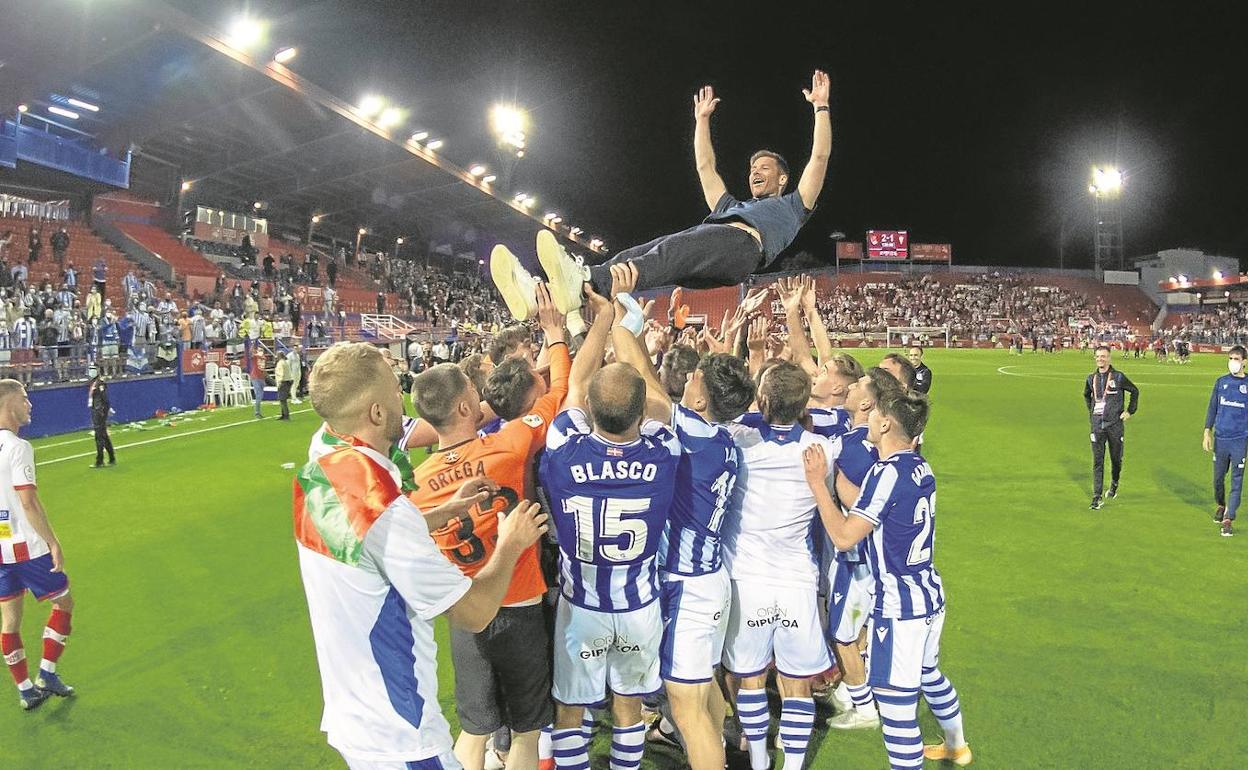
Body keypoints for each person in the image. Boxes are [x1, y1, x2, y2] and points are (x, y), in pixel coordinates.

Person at [294, 342, 549, 770]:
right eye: (396, 391)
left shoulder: (322, 459)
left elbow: (368, 535)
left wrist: (443, 512)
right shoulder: (384, 512)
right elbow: (474, 613)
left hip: (355, 711)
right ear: (376, 413)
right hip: (400, 729)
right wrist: (510, 544)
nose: (403, 399)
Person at [490, 71, 832, 334]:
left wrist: (821, 106)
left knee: (668, 250)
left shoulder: (793, 206)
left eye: (763, 168)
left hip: (741, 248)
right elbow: (705, 167)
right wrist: (701, 120)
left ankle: (585, 281)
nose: (754, 172)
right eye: (752, 167)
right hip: (718, 248)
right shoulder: (729, 208)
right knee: (636, 254)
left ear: (782, 178)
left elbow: (819, 156)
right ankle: (543, 298)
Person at [407, 285, 568, 770]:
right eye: (475, 395)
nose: (481, 401)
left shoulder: (417, 484)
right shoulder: (510, 446)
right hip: (517, 603)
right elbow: (557, 393)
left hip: (462, 612)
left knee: (473, 733)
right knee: (525, 733)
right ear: (461, 408)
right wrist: (556, 335)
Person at [610, 268, 756, 770]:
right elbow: (654, 386)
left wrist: (622, 320)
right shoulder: (723, 440)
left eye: (692, 379)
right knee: (705, 697)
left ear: (698, 399)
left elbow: (644, 384)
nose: (686, 378)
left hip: (689, 587)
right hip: (707, 581)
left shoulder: (690, 433)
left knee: (685, 705)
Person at [540, 287, 679, 770]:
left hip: (582, 608)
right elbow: (658, 399)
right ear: (640, 413)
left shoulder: (563, 448)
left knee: (570, 712)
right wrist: (625, 324)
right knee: (628, 710)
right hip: (640, 607)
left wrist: (598, 321)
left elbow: (575, 386)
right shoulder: (663, 450)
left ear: (590, 412)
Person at [804, 390, 971, 769]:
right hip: (929, 593)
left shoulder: (884, 473)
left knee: (895, 706)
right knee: (929, 673)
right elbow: (869, 502)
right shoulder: (918, 467)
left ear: (884, 424)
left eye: (875, 413)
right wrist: (837, 484)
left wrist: (817, 484)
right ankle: (956, 745)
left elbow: (845, 535)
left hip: (898, 606)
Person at [720, 361, 838, 770]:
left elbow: (727, 413)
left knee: (750, 677)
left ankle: (758, 758)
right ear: (805, 403)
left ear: (764, 399)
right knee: (797, 680)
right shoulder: (825, 450)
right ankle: (793, 764)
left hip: (745, 578)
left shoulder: (739, 441)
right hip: (796, 580)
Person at [823, 368, 904, 731]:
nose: (850, 388)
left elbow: (859, 509)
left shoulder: (852, 448)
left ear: (868, 402)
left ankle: (863, 705)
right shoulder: (881, 446)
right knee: (861, 625)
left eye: (857, 386)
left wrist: (831, 486)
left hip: (855, 558)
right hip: (880, 560)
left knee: (842, 634)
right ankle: (859, 684)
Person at [0, 379, 76, 711]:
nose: (30, 405)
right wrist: (53, 542)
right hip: (27, 549)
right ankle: (47, 673)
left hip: (1, 549)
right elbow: (28, 502)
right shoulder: (18, 448)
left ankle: (25, 690)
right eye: (25, 399)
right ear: (7, 405)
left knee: (9, 621)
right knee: (64, 603)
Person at [1083, 345, 1139, 510]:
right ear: (1095, 358)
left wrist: (1130, 411)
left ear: (1109, 358)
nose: (1101, 359)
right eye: (1098, 356)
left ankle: (1114, 484)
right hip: (1097, 426)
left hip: (1115, 425)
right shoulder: (1090, 378)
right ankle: (1097, 496)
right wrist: (1092, 411)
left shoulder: (1118, 377)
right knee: (1098, 461)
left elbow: (1135, 391)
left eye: (1104, 356)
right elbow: (1086, 395)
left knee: (1116, 459)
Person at [1203, 345, 1248, 537]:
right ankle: (1221, 504)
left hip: (1239, 440)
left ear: (1244, 362)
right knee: (1218, 480)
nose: (1233, 362)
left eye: (1236, 359)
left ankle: (1229, 517)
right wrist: (1207, 432)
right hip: (1221, 439)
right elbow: (1212, 408)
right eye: (1230, 358)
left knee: (1236, 481)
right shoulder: (1221, 382)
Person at [88, 372, 115, 467]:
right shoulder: (93, 382)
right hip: (96, 410)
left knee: (99, 436)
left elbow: (104, 399)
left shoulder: (100, 383)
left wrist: (103, 410)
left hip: (99, 411)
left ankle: (100, 460)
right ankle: (112, 458)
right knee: (104, 435)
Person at [275, 351, 295, 420]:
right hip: (288, 381)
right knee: (283, 399)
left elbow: (281, 373)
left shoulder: (280, 363)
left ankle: (286, 415)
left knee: (282, 399)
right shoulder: (285, 362)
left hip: (284, 381)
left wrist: (279, 382)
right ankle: (283, 414)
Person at [249, 351, 266, 419]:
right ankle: (257, 413)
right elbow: (251, 355)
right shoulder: (256, 357)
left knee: (260, 395)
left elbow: (263, 369)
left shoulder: (264, 358)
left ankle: (258, 411)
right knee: (259, 395)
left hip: (261, 377)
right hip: (255, 377)